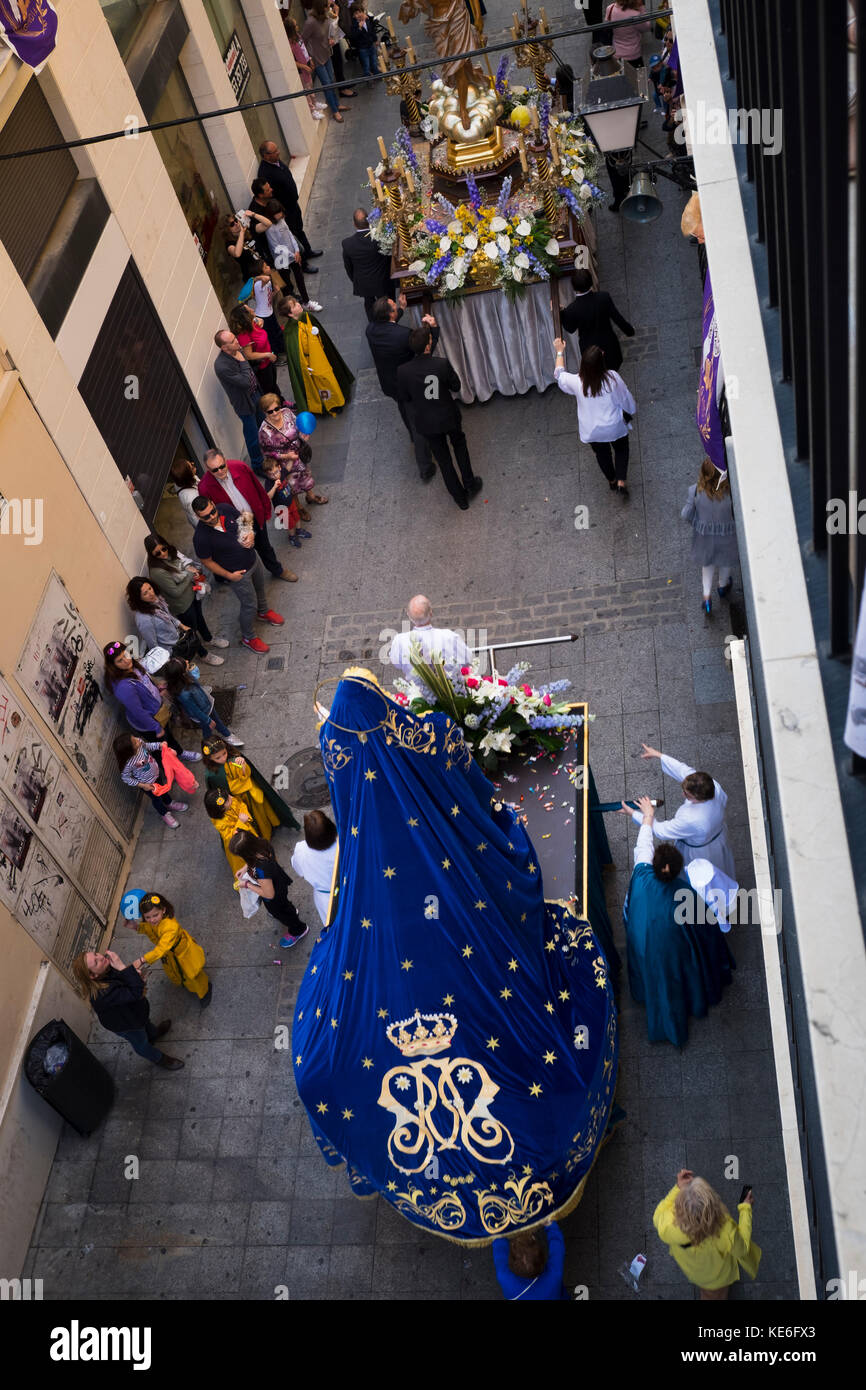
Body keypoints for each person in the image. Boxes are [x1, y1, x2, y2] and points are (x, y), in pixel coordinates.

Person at [621, 796, 734, 1046]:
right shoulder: (686, 895)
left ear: (654, 862)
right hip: (674, 948)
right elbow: (706, 929)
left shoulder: (641, 871)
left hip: (643, 939)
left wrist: (646, 814)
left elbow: (644, 840)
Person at [396, 326, 482, 509]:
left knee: (444, 461)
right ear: (428, 346)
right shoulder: (441, 364)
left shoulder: (403, 371)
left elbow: (405, 397)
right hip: (448, 416)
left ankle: (460, 499)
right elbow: (456, 386)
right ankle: (470, 482)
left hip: (426, 422)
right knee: (459, 446)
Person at [191, 495, 285, 655]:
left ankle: (263, 612)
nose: (212, 516)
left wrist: (250, 534)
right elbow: (207, 562)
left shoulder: (224, 508)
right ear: (198, 516)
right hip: (238, 575)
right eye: (206, 516)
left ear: (213, 504)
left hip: (253, 560)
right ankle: (248, 637)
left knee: (261, 589)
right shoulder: (201, 537)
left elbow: (244, 520)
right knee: (249, 605)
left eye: (212, 511)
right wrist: (229, 575)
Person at [627, 744, 736, 879]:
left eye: (687, 795)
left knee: (699, 878)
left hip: (700, 853)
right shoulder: (712, 786)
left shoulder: (693, 819)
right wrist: (658, 755)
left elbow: (661, 830)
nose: (683, 795)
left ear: (698, 797)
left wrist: (635, 813)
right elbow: (683, 770)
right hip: (718, 840)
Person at [653, 1170, 761, 1299]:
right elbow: (742, 1249)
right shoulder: (724, 1230)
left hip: (691, 1269)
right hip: (717, 1277)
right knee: (715, 1296)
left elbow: (659, 1211)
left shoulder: (667, 1225)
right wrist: (745, 1208)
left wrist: (678, 1188)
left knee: (706, 1290)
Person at [71, 949, 184, 1070]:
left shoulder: (105, 969)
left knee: (145, 1022)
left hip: (135, 1012)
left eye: (95, 954)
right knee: (141, 1043)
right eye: (96, 962)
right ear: (93, 976)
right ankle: (160, 1059)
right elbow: (135, 992)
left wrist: (134, 976)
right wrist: (122, 966)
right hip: (127, 1024)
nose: (100, 957)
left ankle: (154, 1034)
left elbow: (124, 979)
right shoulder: (102, 994)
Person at [198, 449, 297, 583]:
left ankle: (277, 570)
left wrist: (264, 510)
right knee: (243, 556)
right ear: (207, 469)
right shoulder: (204, 487)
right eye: (215, 470)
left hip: (254, 516)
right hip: (235, 526)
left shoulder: (240, 467)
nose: (220, 471)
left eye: (222, 466)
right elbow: (211, 514)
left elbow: (258, 489)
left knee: (265, 547)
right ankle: (250, 584)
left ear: (225, 460)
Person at [553, 339, 636, 497]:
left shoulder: (577, 382)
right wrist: (631, 409)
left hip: (592, 431)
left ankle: (611, 480)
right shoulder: (612, 378)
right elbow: (624, 397)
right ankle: (621, 481)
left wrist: (559, 351)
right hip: (614, 426)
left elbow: (559, 374)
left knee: (602, 455)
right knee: (621, 449)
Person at [366, 297, 435, 478]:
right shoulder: (404, 335)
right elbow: (424, 350)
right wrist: (433, 330)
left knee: (403, 408)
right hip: (409, 385)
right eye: (396, 308)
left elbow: (388, 323)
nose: (398, 308)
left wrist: (402, 309)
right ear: (390, 313)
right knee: (417, 422)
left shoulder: (370, 330)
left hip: (390, 383)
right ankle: (425, 467)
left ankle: (412, 435)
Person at [103, 641, 203, 761]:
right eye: (120, 660)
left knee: (168, 737)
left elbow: (145, 682)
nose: (126, 660)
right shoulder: (124, 687)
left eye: (126, 654)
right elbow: (138, 712)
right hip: (149, 723)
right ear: (113, 665)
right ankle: (171, 768)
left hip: (158, 715)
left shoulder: (134, 666)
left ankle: (180, 753)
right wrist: (155, 727)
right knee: (160, 748)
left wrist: (158, 688)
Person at [145, 532, 228, 656]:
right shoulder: (157, 572)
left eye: (163, 548)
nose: (163, 554)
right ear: (151, 554)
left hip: (193, 594)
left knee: (200, 619)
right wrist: (189, 575)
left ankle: (209, 638)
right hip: (182, 605)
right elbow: (175, 592)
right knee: (191, 630)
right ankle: (203, 654)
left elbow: (184, 566)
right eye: (158, 553)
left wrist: (192, 572)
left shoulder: (172, 554)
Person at [203, 735, 299, 836]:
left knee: (260, 813)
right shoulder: (212, 775)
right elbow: (219, 792)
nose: (223, 758)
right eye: (218, 757)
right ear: (209, 758)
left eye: (224, 753)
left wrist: (243, 765)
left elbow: (247, 775)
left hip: (251, 792)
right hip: (236, 800)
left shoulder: (235, 758)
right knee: (246, 817)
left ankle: (268, 829)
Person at [130, 892, 212, 1008]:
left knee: (193, 975)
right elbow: (150, 929)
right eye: (147, 917)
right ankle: (188, 983)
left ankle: (205, 990)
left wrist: (143, 960)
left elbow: (161, 948)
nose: (152, 920)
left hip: (184, 954)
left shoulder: (170, 927)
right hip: (173, 955)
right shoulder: (157, 922)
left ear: (163, 910)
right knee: (183, 974)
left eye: (155, 915)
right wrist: (136, 927)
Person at [230, 830, 309, 948]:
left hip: (274, 896)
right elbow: (253, 860)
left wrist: (246, 885)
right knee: (284, 906)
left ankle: (299, 929)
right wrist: (245, 868)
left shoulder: (261, 870)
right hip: (279, 882)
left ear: (246, 854)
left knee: (280, 912)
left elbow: (269, 894)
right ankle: (290, 911)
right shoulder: (261, 843)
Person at [280, 293, 354, 415]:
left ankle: (340, 396)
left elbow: (322, 336)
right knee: (322, 385)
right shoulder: (290, 332)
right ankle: (330, 405)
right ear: (290, 314)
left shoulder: (308, 316)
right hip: (310, 364)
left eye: (297, 303)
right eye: (294, 306)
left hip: (322, 356)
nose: (299, 305)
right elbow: (296, 355)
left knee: (330, 378)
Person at [681, 459, 738, 615]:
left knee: (707, 566)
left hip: (705, 538)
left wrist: (699, 524)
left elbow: (685, 514)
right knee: (726, 563)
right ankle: (722, 587)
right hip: (727, 537)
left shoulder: (695, 491)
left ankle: (707, 598)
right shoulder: (731, 493)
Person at [257, 141, 322, 268]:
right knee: (294, 235)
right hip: (285, 210)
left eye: (277, 149)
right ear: (266, 156)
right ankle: (303, 264)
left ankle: (308, 251)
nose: (278, 152)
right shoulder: (265, 172)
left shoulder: (277, 162)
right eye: (275, 151)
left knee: (299, 229)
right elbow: (270, 196)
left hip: (293, 204)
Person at [258, 393, 329, 512]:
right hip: (284, 463)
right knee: (292, 484)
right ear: (265, 412)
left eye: (276, 408)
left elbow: (298, 425)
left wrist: (303, 435)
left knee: (305, 475)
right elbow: (267, 453)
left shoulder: (286, 412)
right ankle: (299, 507)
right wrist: (287, 456)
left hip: (299, 454)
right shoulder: (264, 431)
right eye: (270, 411)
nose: (275, 413)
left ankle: (310, 496)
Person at [125, 576, 217, 665]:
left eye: (150, 588)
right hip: (170, 652)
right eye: (145, 593)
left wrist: (181, 625)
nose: (151, 593)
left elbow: (167, 615)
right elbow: (153, 645)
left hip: (177, 639)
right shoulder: (144, 619)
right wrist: (166, 661)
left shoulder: (155, 600)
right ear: (138, 598)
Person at [560, 269, 635, 372]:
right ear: (591, 282)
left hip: (590, 352)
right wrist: (629, 331)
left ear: (574, 287)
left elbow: (570, 328)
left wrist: (562, 313)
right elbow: (617, 318)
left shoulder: (572, 309)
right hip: (610, 347)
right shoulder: (604, 297)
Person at [114, 732, 190, 829]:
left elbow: (148, 746)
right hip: (148, 785)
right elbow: (126, 778)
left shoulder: (140, 743)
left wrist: (159, 745)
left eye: (135, 738)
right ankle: (164, 813)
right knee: (157, 799)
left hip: (157, 775)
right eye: (135, 742)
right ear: (129, 751)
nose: (138, 740)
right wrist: (142, 785)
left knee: (164, 790)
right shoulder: (128, 764)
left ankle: (170, 803)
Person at [213, 330, 265, 469]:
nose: (237, 341)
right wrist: (243, 362)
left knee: (263, 425)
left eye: (235, 338)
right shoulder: (222, 366)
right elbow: (245, 382)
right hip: (245, 404)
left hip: (255, 394)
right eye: (232, 341)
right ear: (224, 348)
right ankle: (258, 464)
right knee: (252, 435)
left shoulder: (237, 350)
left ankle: (269, 452)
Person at [160, 659, 243, 745]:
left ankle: (225, 734)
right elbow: (195, 710)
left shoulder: (185, 678)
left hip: (207, 704)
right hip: (203, 713)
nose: (187, 661)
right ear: (182, 673)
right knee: (208, 728)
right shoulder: (183, 694)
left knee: (216, 721)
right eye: (185, 663)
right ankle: (211, 741)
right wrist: (207, 720)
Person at [388, 594, 472, 678]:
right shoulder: (450, 636)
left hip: (415, 689)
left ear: (409, 616)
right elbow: (467, 658)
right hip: (449, 688)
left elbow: (397, 664)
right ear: (431, 613)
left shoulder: (399, 640)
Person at [264, 201, 321, 313]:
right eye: (277, 213)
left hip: (294, 256)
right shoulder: (270, 228)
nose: (280, 215)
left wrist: (297, 251)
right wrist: (293, 254)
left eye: (280, 212)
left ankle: (306, 302)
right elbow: (276, 247)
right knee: (287, 285)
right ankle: (290, 309)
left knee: (300, 278)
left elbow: (290, 234)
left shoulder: (282, 220)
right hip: (282, 260)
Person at [492, 1222, 568, 1301]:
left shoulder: (504, 1277)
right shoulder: (554, 1275)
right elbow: (557, 1243)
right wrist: (549, 1223)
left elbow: (499, 1242)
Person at [343, 210, 395, 320]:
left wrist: (356, 280)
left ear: (354, 224)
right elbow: (388, 257)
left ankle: (373, 324)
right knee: (387, 303)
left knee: (369, 303)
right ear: (369, 221)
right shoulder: (379, 238)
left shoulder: (347, 244)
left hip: (364, 283)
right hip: (382, 280)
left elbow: (348, 267)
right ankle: (389, 322)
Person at [291, 809, 338, 924]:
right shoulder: (346, 842)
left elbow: (298, 870)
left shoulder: (301, 851)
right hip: (351, 889)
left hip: (327, 901)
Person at [302, 2, 347, 121]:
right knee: (327, 84)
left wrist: (331, 38)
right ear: (321, 8)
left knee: (331, 81)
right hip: (317, 58)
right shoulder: (310, 22)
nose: (329, 7)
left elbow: (330, 30)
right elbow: (303, 41)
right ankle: (335, 111)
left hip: (326, 53)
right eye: (327, 6)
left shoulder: (326, 16)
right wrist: (309, 58)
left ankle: (336, 104)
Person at [229, 303, 278, 398]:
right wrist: (267, 355)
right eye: (249, 310)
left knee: (274, 385)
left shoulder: (253, 323)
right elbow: (249, 355)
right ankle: (277, 408)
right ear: (245, 317)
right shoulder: (244, 335)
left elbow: (261, 321)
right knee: (269, 390)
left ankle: (282, 401)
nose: (252, 309)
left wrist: (259, 319)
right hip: (263, 367)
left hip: (269, 361)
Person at [204, 787, 254, 877]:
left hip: (247, 830)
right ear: (221, 809)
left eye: (228, 796)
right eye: (227, 800)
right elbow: (229, 837)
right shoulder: (220, 822)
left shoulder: (231, 800)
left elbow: (241, 805)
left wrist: (245, 817)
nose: (231, 797)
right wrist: (241, 822)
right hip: (238, 844)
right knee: (243, 861)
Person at [285, 17, 328, 119]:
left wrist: (310, 59)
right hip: (301, 69)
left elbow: (304, 49)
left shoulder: (298, 36)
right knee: (306, 89)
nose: (297, 26)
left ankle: (315, 102)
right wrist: (303, 66)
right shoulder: (289, 43)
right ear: (291, 29)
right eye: (295, 25)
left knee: (310, 86)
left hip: (307, 64)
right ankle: (312, 110)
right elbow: (292, 60)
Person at [262, 454, 306, 547]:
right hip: (281, 508)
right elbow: (268, 497)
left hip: (290, 502)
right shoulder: (269, 482)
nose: (275, 476)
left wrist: (291, 459)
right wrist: (274, 487)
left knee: (296, 516)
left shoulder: (281, 474)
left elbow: (288, 468)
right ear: (267, 475)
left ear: (279, 467)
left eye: (276, 472)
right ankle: (292, 536)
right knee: (289, 524)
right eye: (271, 474)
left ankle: (299, 530)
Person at [222, 208, 269, 281]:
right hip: (253, 278)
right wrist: (241, 233)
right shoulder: (229, 243)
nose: (236, 224)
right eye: (232, 224)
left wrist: (253, 214)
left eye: (236, 220)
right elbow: (237, 253)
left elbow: (268, 224)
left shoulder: (248, 231)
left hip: (265, 269)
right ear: (227, 229)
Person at [605, 0, 650, 68]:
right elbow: (646, 28)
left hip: (616, 53)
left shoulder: (610, 9)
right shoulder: (635, 14)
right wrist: (642, 9)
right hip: (633, 54)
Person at [169, 458, 204, 528]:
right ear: (188, 475)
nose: (193, 463)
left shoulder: (182, 481)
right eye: (191, 466)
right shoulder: (191, 498)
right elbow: (198, 522)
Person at [348, 4, 377, 76]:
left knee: (374, 61)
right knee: (366, 64)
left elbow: (372, 30)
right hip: (363, 49)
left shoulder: (367, 20)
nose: (359, 15)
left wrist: (375, 40)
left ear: (363, 12)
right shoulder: (354, 25)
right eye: (356, 14)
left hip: (371, 45)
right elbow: (353, 36)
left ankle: (376, 72)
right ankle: (368, 77)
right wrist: (359, 28)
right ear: (353, 16)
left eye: (360, 12)